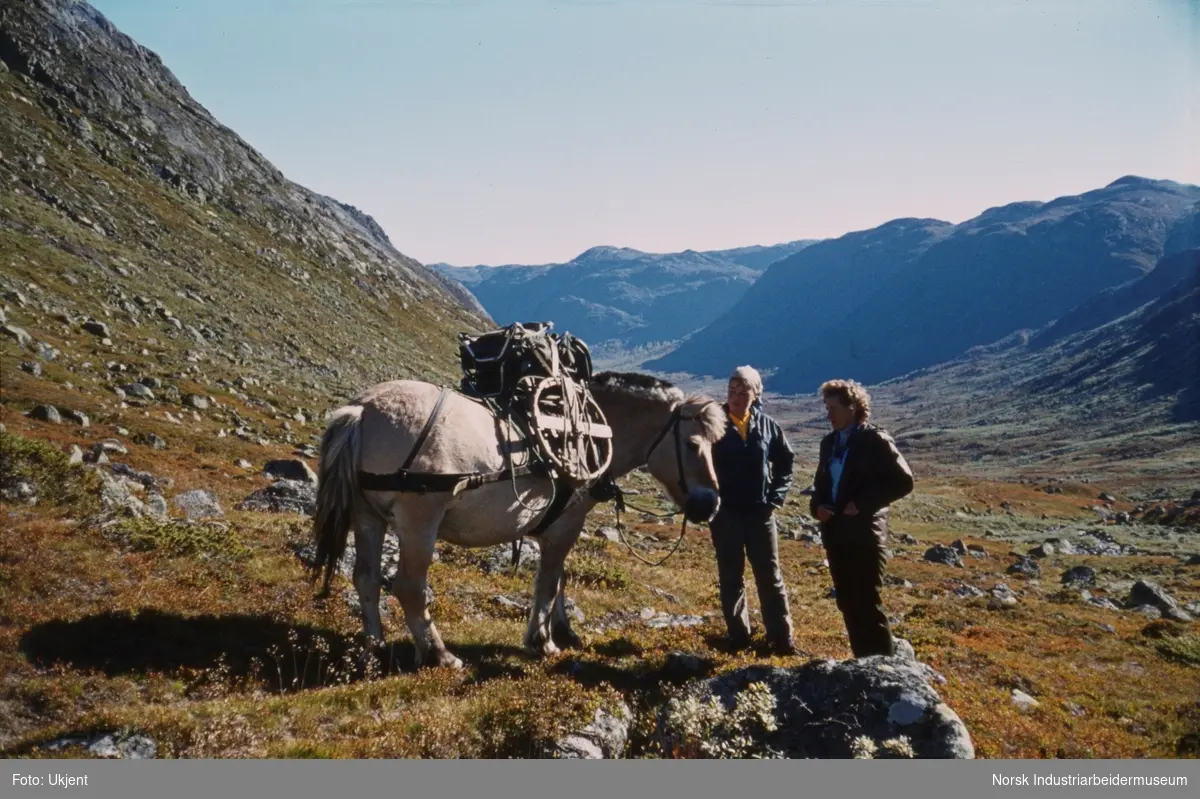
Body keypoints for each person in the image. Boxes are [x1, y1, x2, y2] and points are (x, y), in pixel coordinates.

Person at [809, 379, 913, 658]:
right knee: (846, 602)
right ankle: (862, 664)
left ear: (852, 408)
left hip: (866, 535)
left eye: (833, 408)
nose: (828, 414)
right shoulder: (828, 444)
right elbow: (820, 487)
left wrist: (863, 504)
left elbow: (903, 481)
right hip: (835, 535)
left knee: (867, 603)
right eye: (826, 407)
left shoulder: (875, 439)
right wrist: (816, 507)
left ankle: (885, 669)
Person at [709, 365, 797, 655]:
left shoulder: (768, 425)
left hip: (761, 514)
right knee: (731, 578)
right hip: (726, 515)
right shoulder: (713, 422)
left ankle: (782, 641)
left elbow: (785, 462)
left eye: (742, 391)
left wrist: (775, 499)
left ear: (756, 393)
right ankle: (739, 637)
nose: (735, 396)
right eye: (731, 390)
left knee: (770, 576)